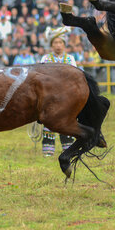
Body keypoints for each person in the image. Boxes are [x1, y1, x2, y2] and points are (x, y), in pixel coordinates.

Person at [39, 26, 76, 156]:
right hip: (50, 97)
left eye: (60, 42)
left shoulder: (70, 59)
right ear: (51, 45)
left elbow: (75, 78)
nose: (58, 45)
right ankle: (48, 151)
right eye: (55, 42)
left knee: (66, 121)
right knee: (49, 121)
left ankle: (68, 149)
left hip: (66, 97)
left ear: (64, 45)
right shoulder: (45, 59)